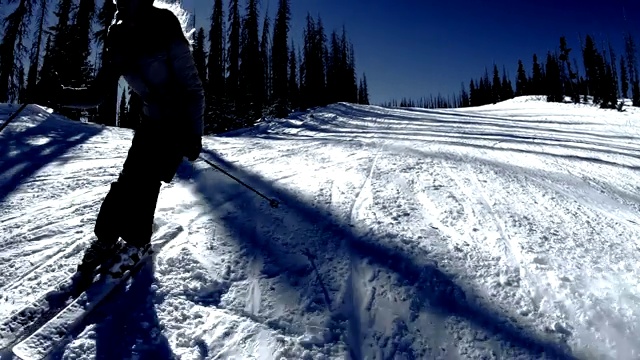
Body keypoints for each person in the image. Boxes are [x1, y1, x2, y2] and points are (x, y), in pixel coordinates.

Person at [56, 0, 205, 277]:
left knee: (146, 180)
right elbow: (96, 94)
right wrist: (58, 95)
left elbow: (192, 87)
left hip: (177, 123)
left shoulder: (164, 24)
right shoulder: (118, 33)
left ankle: (138, 242)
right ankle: (106, 237)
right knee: (129, 179)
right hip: (150, 120)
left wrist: (194, 134)